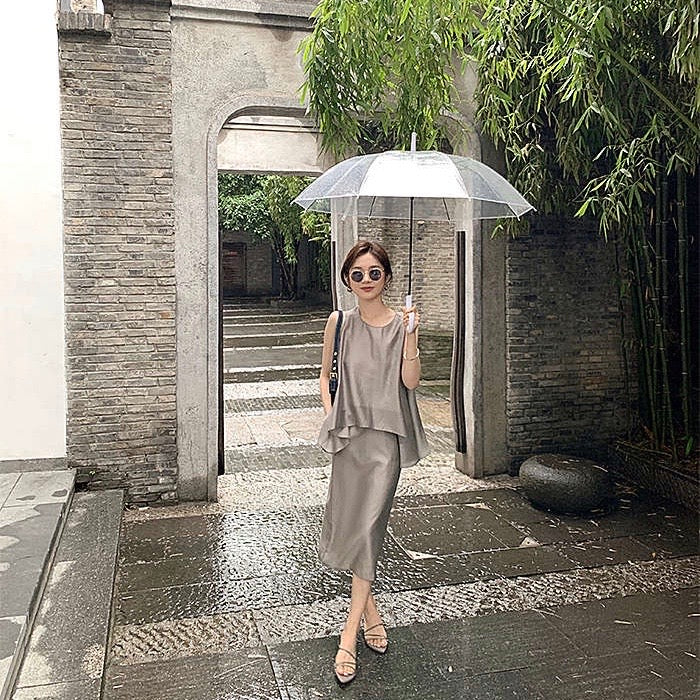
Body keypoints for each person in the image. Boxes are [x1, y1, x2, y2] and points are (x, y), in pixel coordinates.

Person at [317, 239, 429, 684]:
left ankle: (347, 635)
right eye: (357, 274)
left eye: (374, 273)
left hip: (386, 443)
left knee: (368, 528)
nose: (366, 280)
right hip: (349, 437)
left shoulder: (402, 323)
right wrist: (332, 416)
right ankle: (371, 613)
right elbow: (324, 377)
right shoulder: (339, 322)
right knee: (351, 524)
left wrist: (413, 336)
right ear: (347, 279)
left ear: (387, 277)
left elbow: (411, 382)